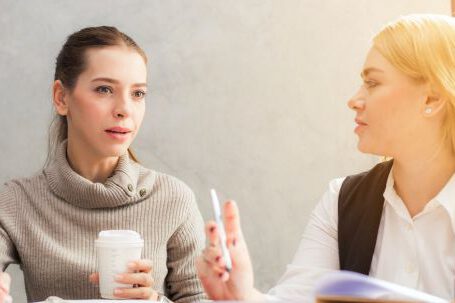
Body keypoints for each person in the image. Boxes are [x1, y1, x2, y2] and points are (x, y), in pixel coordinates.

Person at [196, 14, 455, 302]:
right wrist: (244, 295)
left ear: (431, 99)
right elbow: (297, 298)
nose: (354, 100)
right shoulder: (341, 200)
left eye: (373, 83)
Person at [0, 26, 205, 302]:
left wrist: (155, 301)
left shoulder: (174, 199)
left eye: (138, 94)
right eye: (104, 89)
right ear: (62, 98)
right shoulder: (15, 202)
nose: (124, 109)